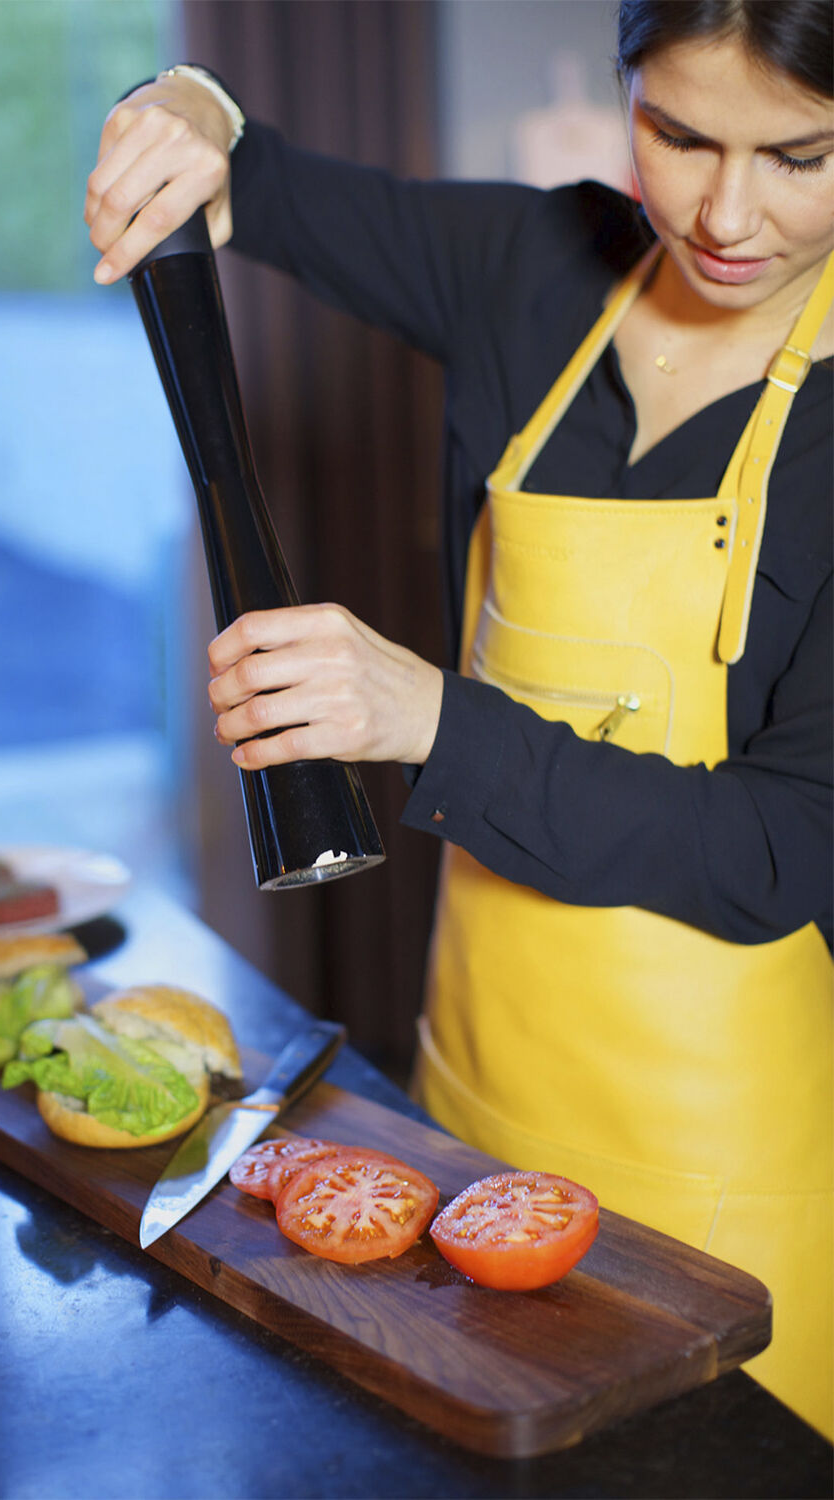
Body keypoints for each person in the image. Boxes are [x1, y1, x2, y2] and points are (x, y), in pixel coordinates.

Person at [85, 1, 833, 1437]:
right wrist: (181, 100)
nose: (729, 213)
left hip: (728, 1168)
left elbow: (788, 844)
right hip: (471, 1096)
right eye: (677, 134)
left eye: (801, 157)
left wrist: (428, 712)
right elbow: (242, 167)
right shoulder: (535, 265)